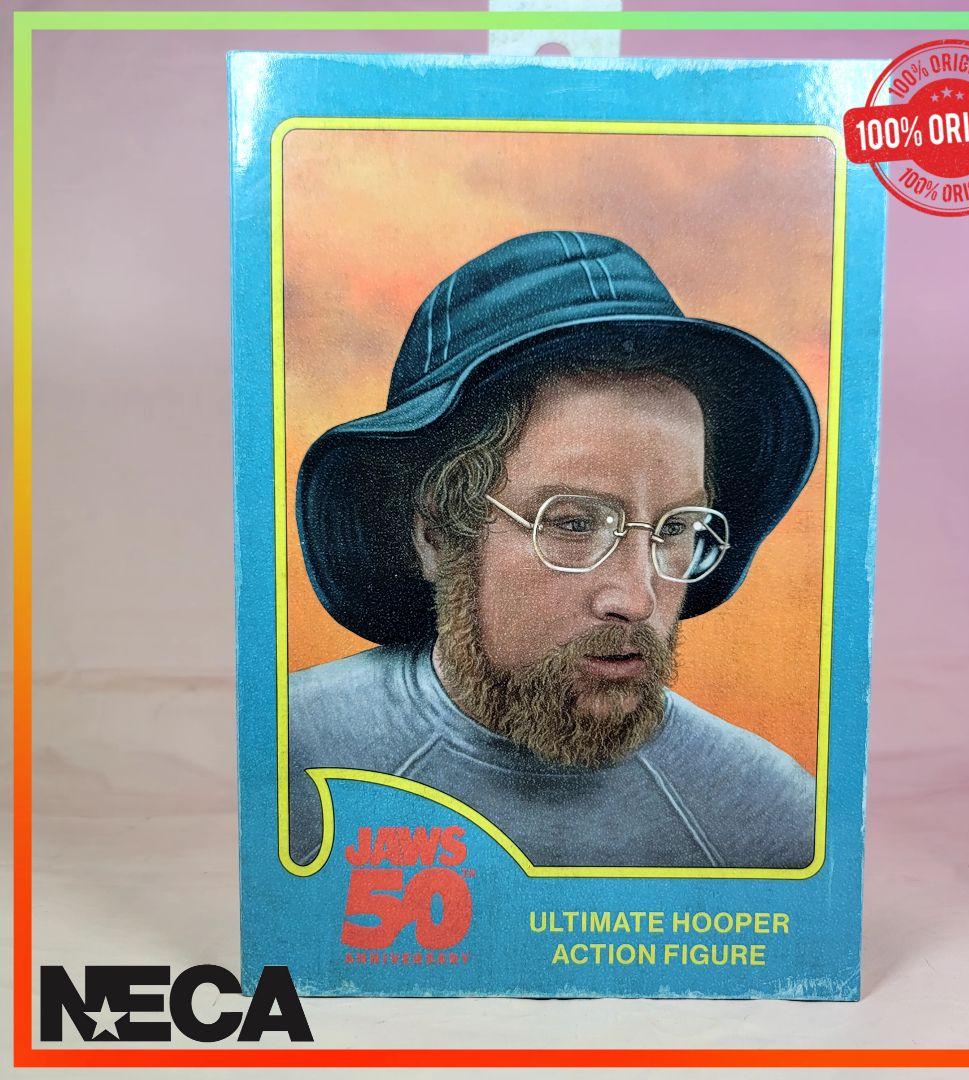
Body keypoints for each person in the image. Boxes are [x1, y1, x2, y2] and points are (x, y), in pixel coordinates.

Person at [289, 231, 820, 869]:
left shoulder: (767, 818)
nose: (637, 599)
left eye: (676, 528)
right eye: (572, 523)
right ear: (437, 535)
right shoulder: (294, 754)